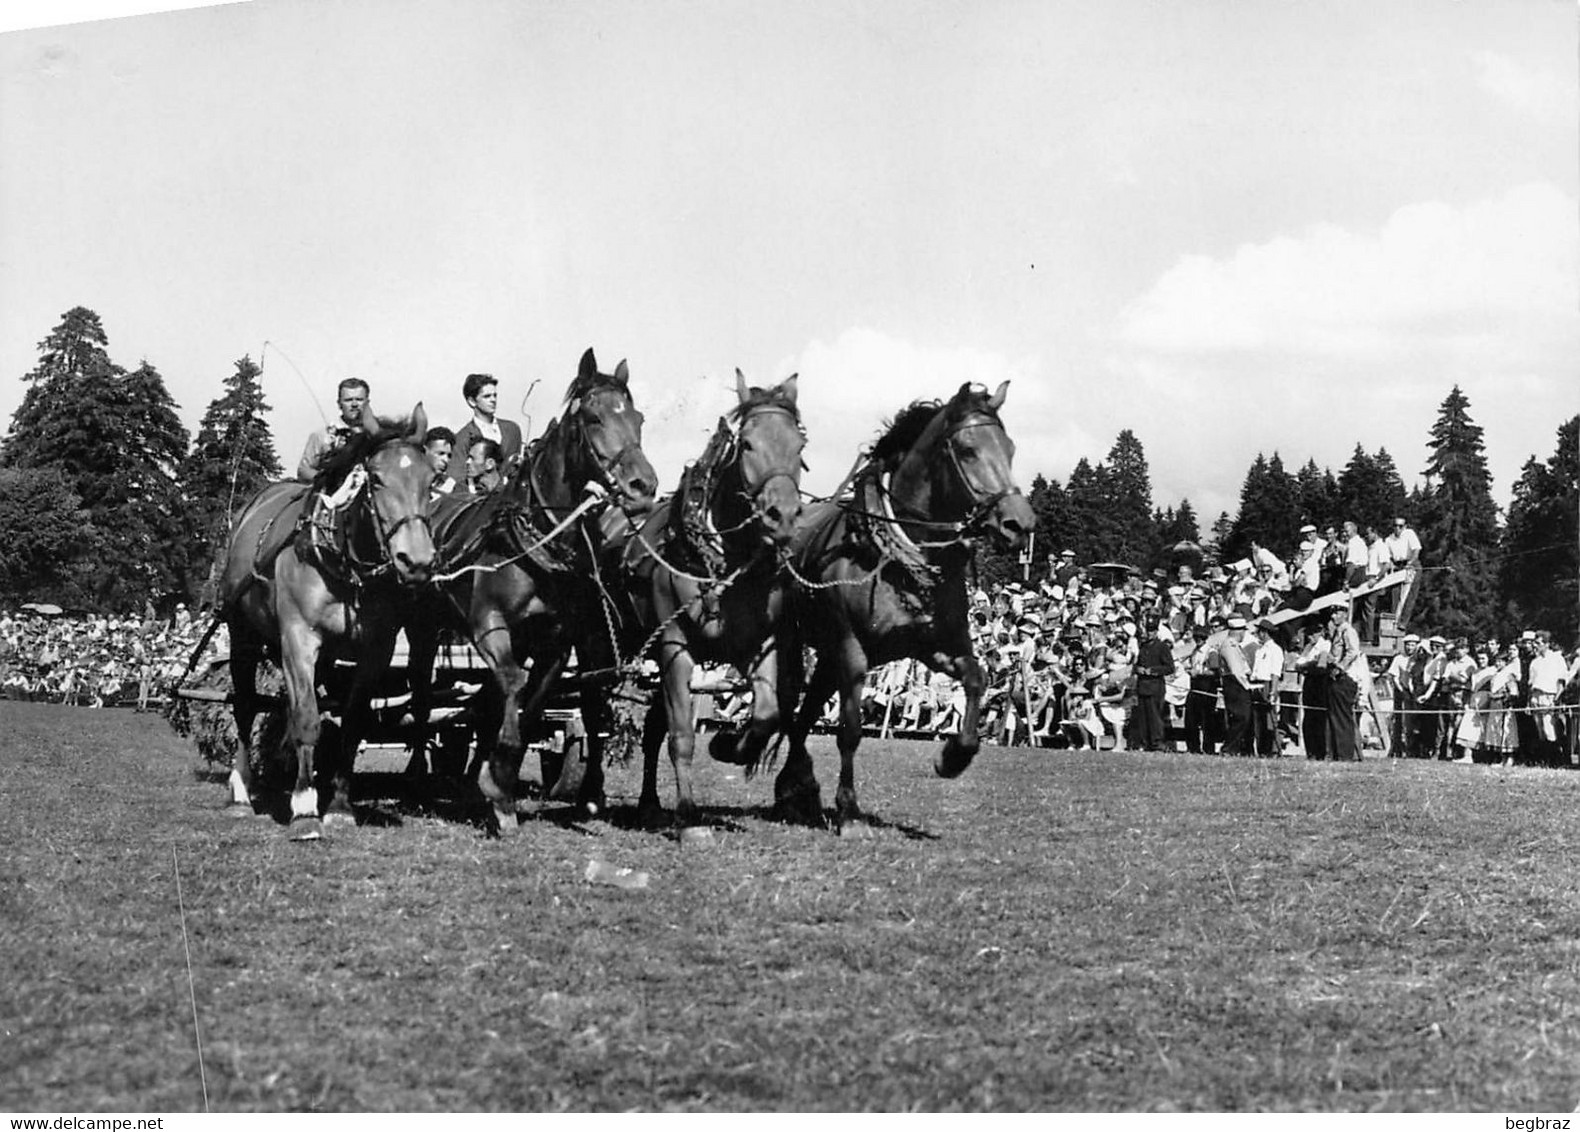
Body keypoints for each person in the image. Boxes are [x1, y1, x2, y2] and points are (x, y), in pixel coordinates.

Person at [446, 373, 523, 485]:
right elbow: (457, 478)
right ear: (472, 401)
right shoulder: (462, 438)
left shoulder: (512, 430)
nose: (493, 400)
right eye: (487, 396)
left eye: (495, 395)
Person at [297, 378, 370, 481]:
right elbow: (303, 470)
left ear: (367, 402)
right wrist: (325, 480)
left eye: (359, 399)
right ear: (339, 404)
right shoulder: (322, 435)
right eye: (348, 400)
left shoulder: (376, 435)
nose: (354, 404)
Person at [1324, 606, 1366, 762]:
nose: (1333, 616)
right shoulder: (1337, 631)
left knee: (1342, 717)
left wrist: (1340, 667)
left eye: (1337, 613)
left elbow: (1353, 651)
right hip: (1336, 676)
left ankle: (1344, 754)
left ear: (1345, 614)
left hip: (1345, 677)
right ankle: (1336, 753)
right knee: (1335, 716)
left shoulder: (1348, 631)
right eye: (1332, 613)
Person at [1128, 618, 1175, 751]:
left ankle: (1157, 742)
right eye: (1148, 630)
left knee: (1155, 717)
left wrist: (1153, 671)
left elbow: (1169, 667)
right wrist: (1138, 669)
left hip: (1155, 686)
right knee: (1143, 717)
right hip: (1142, 686)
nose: (1149, 633)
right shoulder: (1143, 646)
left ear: (1156, 632)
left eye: (1152, 631)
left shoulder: (1162, 647)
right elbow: (1136, 664)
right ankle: (1144, 742)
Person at [1248, 619, 1286, 757]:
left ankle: (1274, 749)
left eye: (1259, 632)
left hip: (1267, 684)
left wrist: (1272, 691)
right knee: (1258, 719)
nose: (1258, 634)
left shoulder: (1275, 650)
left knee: (1270, 719)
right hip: (1257, 683)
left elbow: (1275, 672)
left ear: (1264, 633)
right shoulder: (1260, 649)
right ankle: (1262, 749)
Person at [1218, 616, 1254, 756]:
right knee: (1241, 717)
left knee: (1243, 717)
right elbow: (1236, 670)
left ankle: (1236, 748)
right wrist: (1247, 685)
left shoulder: (1233, 645)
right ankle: (1228, 748)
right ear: (1238, 631)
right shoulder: (1229, 645)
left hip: (1237, 683)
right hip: (1235, 684)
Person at [423, 426, 458, 495]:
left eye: (449, 456)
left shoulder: (450, 486)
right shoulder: (407, 482)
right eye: (440, 453)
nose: (446, 460)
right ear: (424, 452)